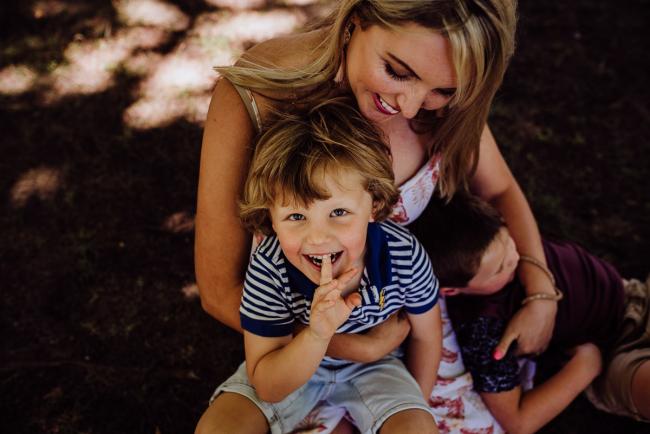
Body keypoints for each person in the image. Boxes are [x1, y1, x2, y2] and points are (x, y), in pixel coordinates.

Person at [195, 1, 556, 432]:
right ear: (357, 19)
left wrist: (540, 290)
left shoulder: (440, 95)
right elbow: (219, 291)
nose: (410, 107)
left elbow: (497, 188)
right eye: (398, 71)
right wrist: (348, 346)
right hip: (292, 335)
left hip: (403, 322)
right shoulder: (256, 95)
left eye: (444, 91)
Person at [199, 97, 442, 434]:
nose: (318, 238)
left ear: (375, 204)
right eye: (296, 216)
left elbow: (428, 337)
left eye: (338, 213)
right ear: (271, 218)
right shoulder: (271, 267)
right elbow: (268, 384)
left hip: (376, 370)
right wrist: (317, 334)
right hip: (289, 358)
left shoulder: (402, 253)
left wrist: (414, 406)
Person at [416, 192, 650, 434]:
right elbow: (518, 422)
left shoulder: (498, 238)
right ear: (451, 291)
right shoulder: (483, 331)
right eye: (499, 269)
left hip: (631, 292)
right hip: (615, 350)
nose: (516, 259)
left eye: (508, 242)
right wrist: (587, 364)